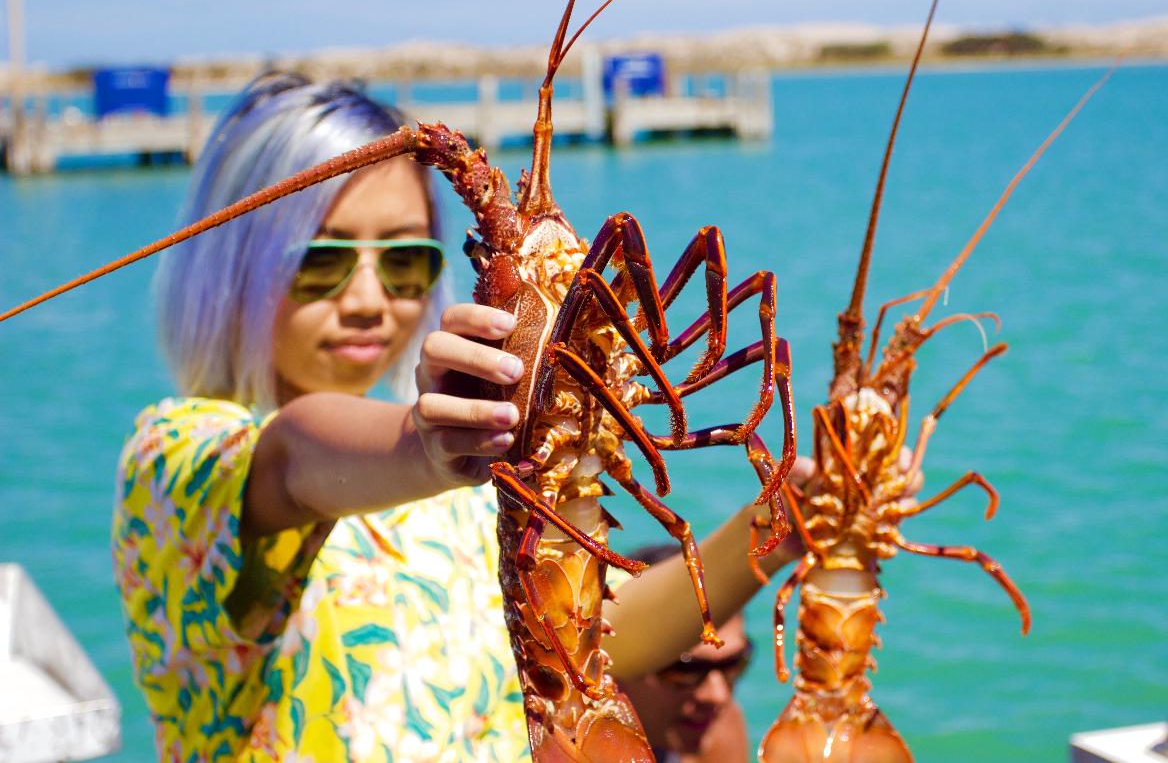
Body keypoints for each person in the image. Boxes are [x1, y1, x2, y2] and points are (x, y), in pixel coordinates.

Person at [110, 72, 810, 761]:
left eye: (405, 261)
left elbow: (605, 630)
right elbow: (293, 459)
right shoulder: (176, 452)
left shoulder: (464, 485)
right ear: (232, 265)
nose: (367, 298)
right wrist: (424, 445)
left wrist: (776, 528)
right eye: (321, 263)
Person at [615, 544, 754, 763]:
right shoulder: (555, 746)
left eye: (733, 664)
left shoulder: (717, 728)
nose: (717, 696)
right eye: (685, 671)